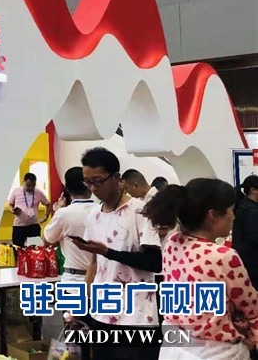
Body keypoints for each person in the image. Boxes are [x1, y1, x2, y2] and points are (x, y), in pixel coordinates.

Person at [144, 178, 258, 360]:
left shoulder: (172, 243)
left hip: (175, 343)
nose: (234, 217)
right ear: (213, 215)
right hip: (215, 351)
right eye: (231, 210)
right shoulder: (223, 256)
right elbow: (251, 307)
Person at [70, 147, 162, 360]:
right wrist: (81, 303)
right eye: (87, 182)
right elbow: (94, 264)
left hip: (136, 317)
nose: (93, 188)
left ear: (116, 177)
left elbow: (155, 263)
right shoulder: (94, 216)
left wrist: (109, 252)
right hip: (101, 313)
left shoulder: (140, 211)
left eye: (97, 181)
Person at [44, 167, 96, 282]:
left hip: (73, 280)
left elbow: (48, 240)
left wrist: (58, 211)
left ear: (67, 189)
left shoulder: (63, 214)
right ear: (90, 186)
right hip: (100, 279)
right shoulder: (102, 211)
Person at [9, 172, 50, 247]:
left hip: (33, 226)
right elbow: (10, 204)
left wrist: (46, 216)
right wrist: (12, 210)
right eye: (28, 185)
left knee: (35, 250)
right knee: (18, 249)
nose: (30, 188)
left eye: (33, 186)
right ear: (23, 182)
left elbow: (48, 205)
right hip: (18, 226)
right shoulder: (16, 191)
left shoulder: (38, 192)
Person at [233, 175, 258, 291]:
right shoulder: (250, 210)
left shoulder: (246, 205)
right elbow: (254, 236)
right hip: (251, 259)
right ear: (253, 190)